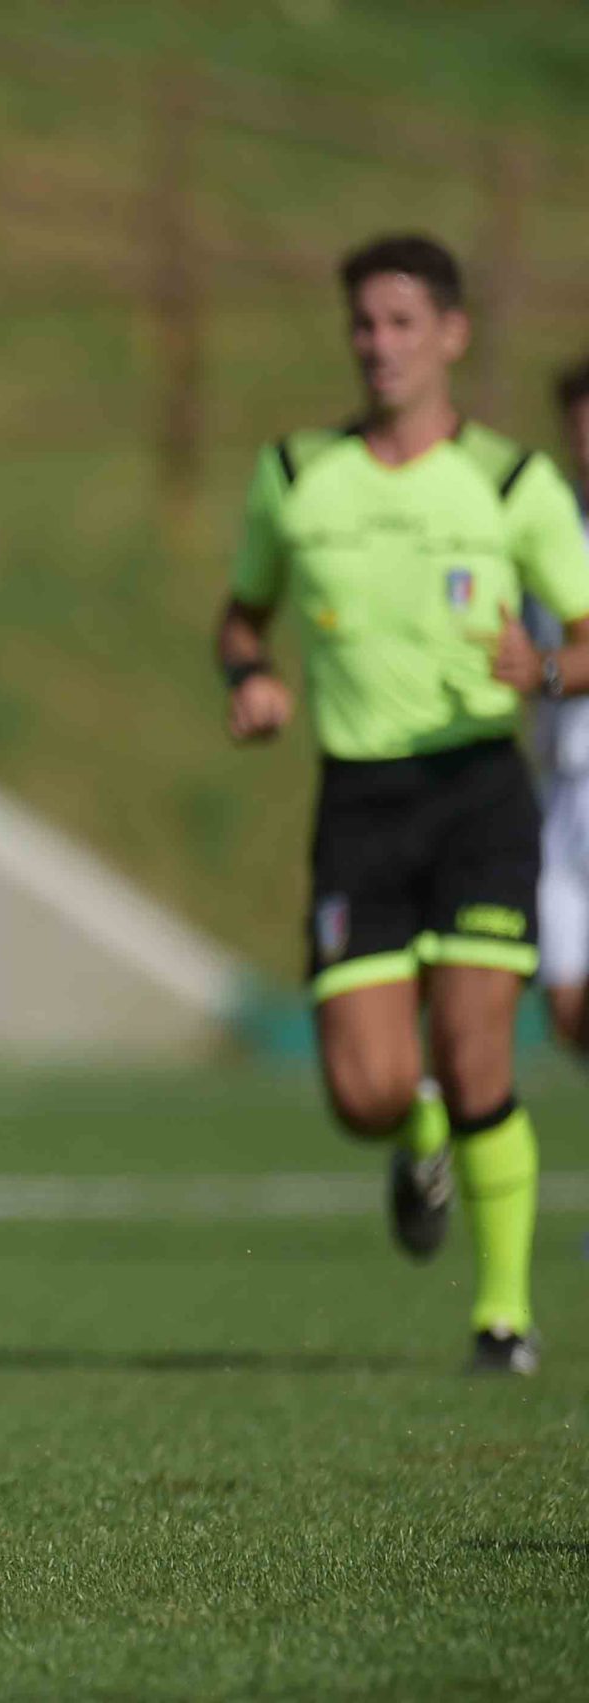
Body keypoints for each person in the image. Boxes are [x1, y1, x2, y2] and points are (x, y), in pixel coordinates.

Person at [215, 233, 589, 1376]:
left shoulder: (512, 484)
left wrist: (549, 669)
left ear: (450, 336)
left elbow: (586, 632)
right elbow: (241, 615)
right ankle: (413, 1129)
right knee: (365, 1092)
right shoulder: (295, 476)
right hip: (359, 808)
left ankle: (503, 1317)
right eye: (362, 325)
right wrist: (250, 676)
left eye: (401, 323)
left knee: (479, 1058)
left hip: (477, 794)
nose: (378, 345)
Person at [535, 359, 589, 1063]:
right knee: (567, 1011)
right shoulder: (547, 529)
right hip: (555, 786)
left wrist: (547, 671)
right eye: (578, 427)